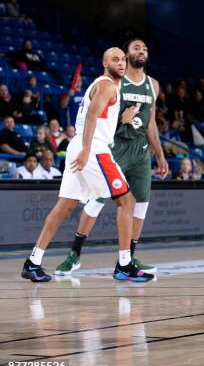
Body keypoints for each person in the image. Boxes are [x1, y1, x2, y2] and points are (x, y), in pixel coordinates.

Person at [21, 47, 153, 282]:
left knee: (64, 206)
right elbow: (92, 115)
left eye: (123, 59)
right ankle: (124, 264)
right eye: (115, 59)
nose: (121, 63)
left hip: (82, 146)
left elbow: (98, 117)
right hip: (93, 149)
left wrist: (122, 121)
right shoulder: (107, 85)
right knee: (126, 200)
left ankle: (33, 261)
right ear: (105, 63)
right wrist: (86, 149)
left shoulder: (102, 85)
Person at [55, 39, 169, 276]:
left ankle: (128, 259)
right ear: (126, 54)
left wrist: (160, 155)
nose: (142, 51)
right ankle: (74, 254)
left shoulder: (153, 85)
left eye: (145, 48)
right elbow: (97, 116)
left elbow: (150, 124)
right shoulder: (116, 81)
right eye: (137, 48)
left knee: (141, 205)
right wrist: (121, 121)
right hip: (114, 147)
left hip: (140, 151)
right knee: (96, 201)